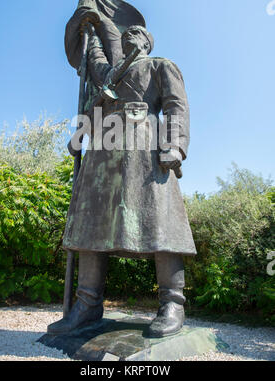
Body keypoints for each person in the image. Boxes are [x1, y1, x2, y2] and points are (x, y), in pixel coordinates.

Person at [47, 24, 196, 337]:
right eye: (125, 31)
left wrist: (174, 146)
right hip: (103, 153)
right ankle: (87, 306)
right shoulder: (109, 75)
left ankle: (172, 303)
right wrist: (80, 135)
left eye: (137, 31)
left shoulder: (161, 66)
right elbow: (95, 97)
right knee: (91, 224)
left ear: (146, 42)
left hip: (145, 149)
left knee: (161, 223)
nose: (129, 33)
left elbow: (175, 106)